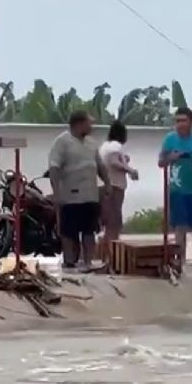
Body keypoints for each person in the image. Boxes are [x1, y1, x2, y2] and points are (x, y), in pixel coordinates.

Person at [49, 110, 111, 270]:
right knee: (69, 231)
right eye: (89, 123)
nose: (92, 127)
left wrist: (108, 183)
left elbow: (100, 166)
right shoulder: (62, 142)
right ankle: (69, 262)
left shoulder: (92, 143)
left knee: (89, 230)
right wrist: (56, 192)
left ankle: (88, 262)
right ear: (79, 124)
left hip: (90, 194)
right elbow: (54, 168)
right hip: (70, 195)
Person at [158, 107, 192, 264]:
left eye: (183, 120)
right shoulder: (169, 139)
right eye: (177, 121)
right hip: (177, 189)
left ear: (191, 122)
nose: (180, 124)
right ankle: (181, 259)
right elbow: (161, 162)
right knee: (180, 225)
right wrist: (171, 157)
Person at [99, 120, 139, 244]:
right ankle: (112, 250)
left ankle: (107, 251)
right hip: (114, 186)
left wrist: (125, 160)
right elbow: (113, 162)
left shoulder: (105, 145)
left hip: (104, 185)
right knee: (114, 221)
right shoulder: (116, 146)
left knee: (109, 221)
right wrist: (130, 170)